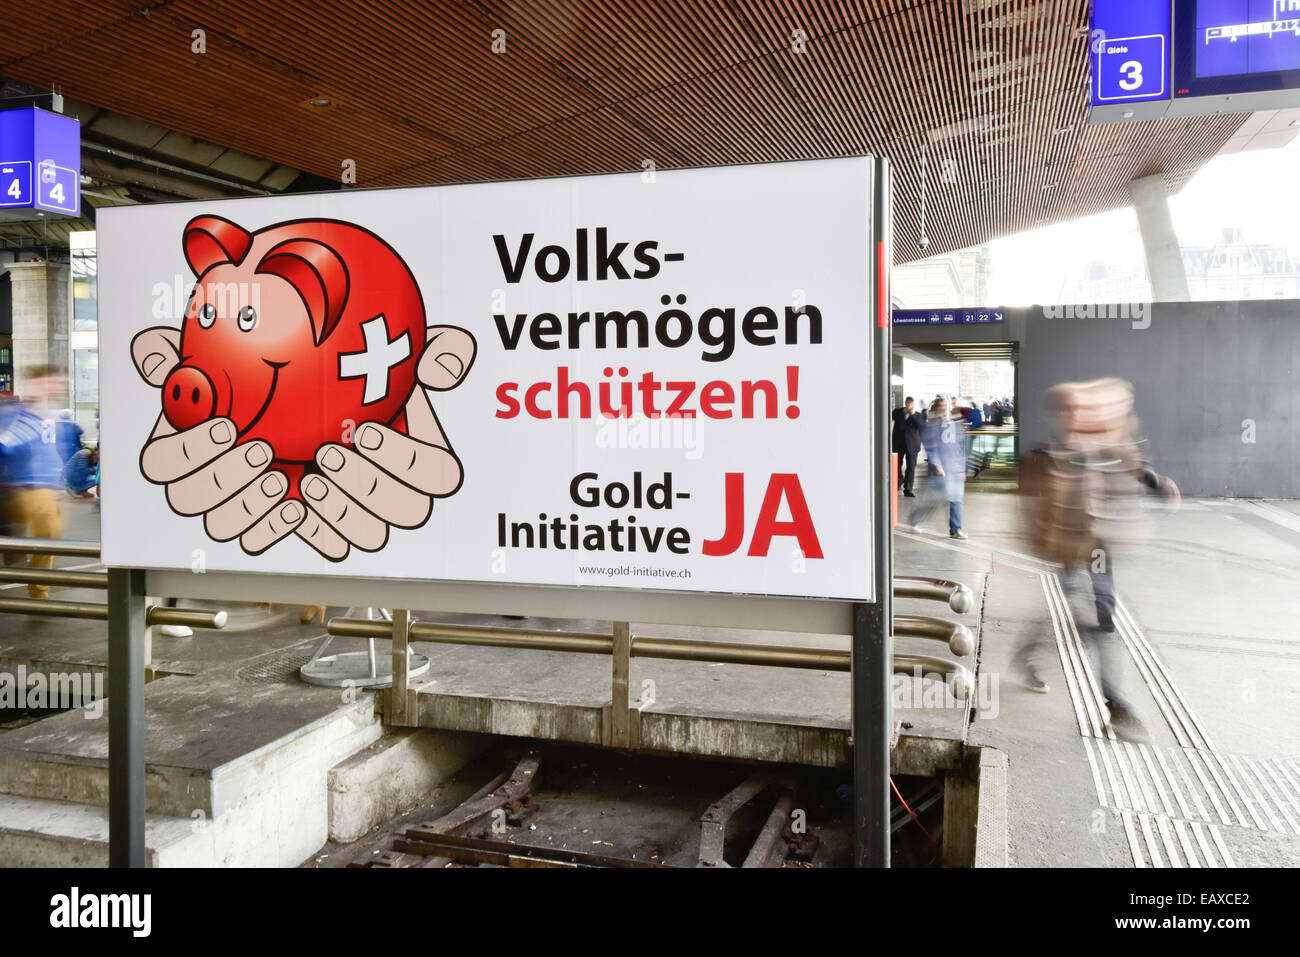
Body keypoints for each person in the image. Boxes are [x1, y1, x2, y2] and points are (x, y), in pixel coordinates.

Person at [1016, 379, 1179, 738]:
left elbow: (1131, 463)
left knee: (1102, 622)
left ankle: (1116, 705)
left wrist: (1156, 483)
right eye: (1072, 409)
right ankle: (1029, 655)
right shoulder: (1042, 457)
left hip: (1098, 548)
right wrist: (1042, 544)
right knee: (1079, 616)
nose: (1081, 414)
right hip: (1066, 552)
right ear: (1059, 414)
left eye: (1083, 408)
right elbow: (1029, 515)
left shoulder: (1103, 445)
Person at [0, 366, 69, 599]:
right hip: (28, 487)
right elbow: (5, 445)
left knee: (48, 538)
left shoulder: (49, 417)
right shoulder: (20, 415)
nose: (58, 387)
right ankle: (38, 589)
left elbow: (53, 454)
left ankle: (39, 587)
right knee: (49, 536)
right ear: (37, 382)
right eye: (52, 382)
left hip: (46, 488)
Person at [909, 397, 968, 539]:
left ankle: (955, 529)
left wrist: (964, 465)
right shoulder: (932, 425)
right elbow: (931, 447)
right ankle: (916, 519)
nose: (943, 408)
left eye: (945, 406)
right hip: (939, 470)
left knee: (956, 500)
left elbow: (961, 446)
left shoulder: (955, 423)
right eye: (940, 406)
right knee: (936, 500)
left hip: (955, 469)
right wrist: (937, 465)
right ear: (935, 408)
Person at [891, 396, 924, 497]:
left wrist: (912, 415)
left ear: (913, 405)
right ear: (905, 403)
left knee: (911, 468)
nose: (909, 406)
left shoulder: (918, 415)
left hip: (912, 445)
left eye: (911, 404)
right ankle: (898, 482)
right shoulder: (897, 412)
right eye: (907, 404)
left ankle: (908, 489)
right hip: (898, 444)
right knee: (897, 465)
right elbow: (891, 420)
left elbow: (921, 426)